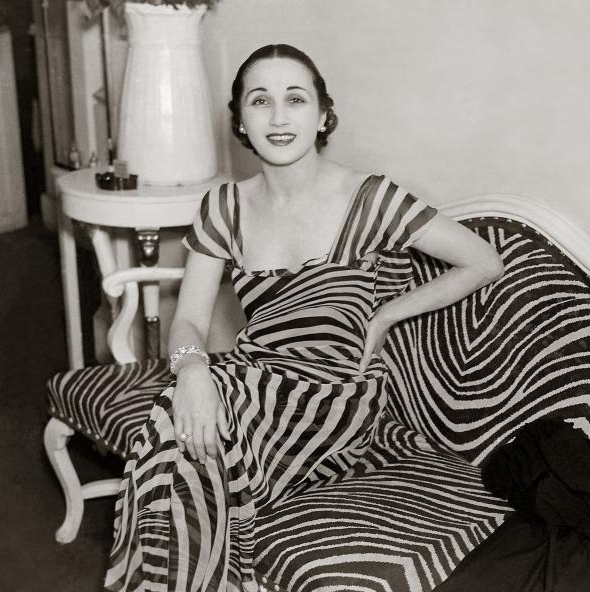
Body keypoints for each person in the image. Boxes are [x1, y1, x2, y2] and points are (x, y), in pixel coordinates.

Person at [104, 43, 505, 592]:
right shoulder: (224, 206)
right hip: (253, 382)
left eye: (295, 99)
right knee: (177, 427)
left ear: (322, 116)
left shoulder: (371, 198)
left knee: (183, 439)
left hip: (334, 401)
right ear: (240, 121)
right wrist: (193, 369)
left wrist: (387, 314)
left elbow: (483, 261)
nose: (278, 117)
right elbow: (189, 321)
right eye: (260, 101)